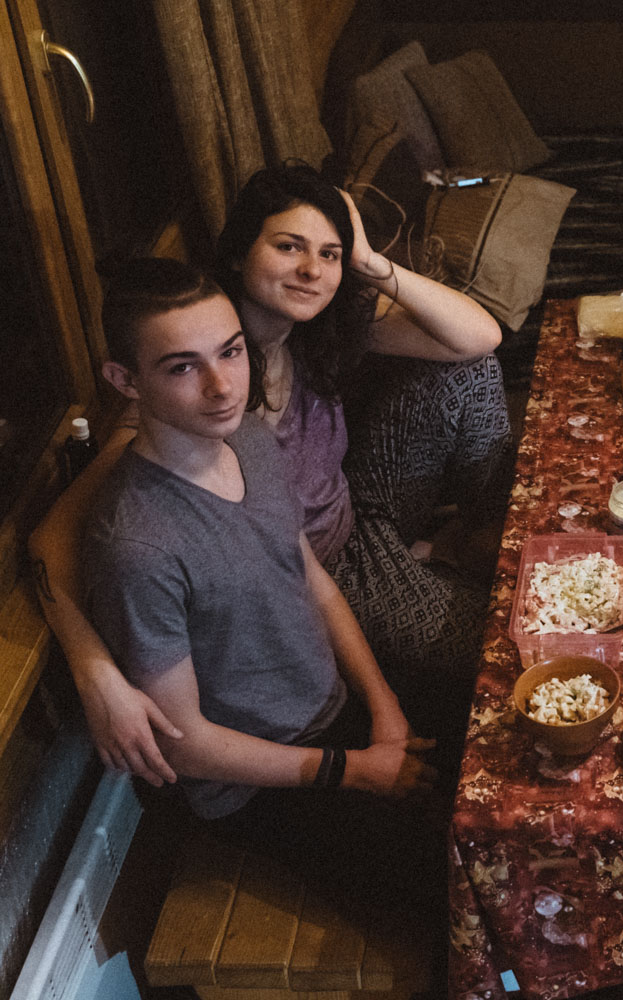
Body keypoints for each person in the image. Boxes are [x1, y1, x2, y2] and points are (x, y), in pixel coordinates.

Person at [30, 165, 506, 787]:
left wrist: (364, 260)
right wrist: (97, 674)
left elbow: (478, 336)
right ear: (239, 251)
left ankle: (467, 542)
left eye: (327, 253)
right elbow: (53, 542)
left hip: (356, 508)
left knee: (469, 373)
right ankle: (443, 565)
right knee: (495, 646)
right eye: (289, 247)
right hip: (324, 566)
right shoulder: (192, 391)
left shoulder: (310, 327)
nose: (312, 270)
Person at [84, 258, 435, 840]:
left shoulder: (247, 436)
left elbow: (311, 579)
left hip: (334, 708)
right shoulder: (138, 545)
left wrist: (383, 703)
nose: (222, 386)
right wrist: (355, 772)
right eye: (182, 367)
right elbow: (187, 744)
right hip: (257, 784)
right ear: (125, 382)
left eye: (231, 351)